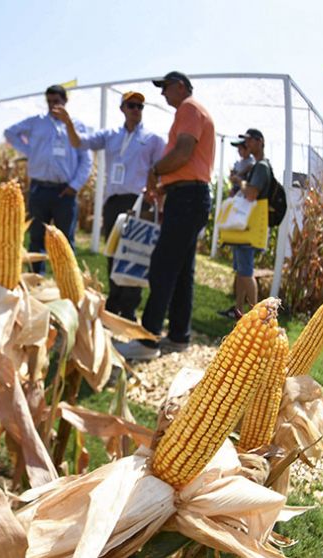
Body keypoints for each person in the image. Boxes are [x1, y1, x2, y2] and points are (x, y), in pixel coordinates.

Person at [120, 71, 215, 362]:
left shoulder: (189, 108)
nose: (162, 94)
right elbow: (189, 163)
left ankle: (147, 340)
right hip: (189, 196)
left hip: (187, 199)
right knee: (182, 269)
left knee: (162, 265)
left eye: (165, 88)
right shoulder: (195, 111)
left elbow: (184, 152)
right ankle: (179, 335)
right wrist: (164, 187)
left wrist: (155, 171)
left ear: (181, 86)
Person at [53, 91, 166, 320]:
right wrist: (68, 124)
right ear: (122, 108)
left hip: (139, 202)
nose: (136, 110)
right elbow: (79, 142)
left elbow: (161, 174)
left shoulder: (153, 139)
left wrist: (159, 206)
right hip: (113, 202)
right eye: (132, 105)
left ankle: (130, 308)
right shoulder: (110, 135)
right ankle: (114, 304)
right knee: (114, 252)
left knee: (135, 255)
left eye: (140, 107)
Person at [4, 84, 93, 272]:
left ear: (65, 101)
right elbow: (9, 132)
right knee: (37, 237)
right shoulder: (37, 122)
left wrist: (75, 186)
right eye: (49, 102)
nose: (53, 105)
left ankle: (68, 282)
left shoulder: (77, 126)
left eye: (57, 101)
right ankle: (37, 278)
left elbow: (86, 160)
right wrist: (30, 150)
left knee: (65, 240)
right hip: (39, 189)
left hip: (65, 191)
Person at [217, 129, 273, 320]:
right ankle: (239, 310)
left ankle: (256, 317)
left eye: (249, 141)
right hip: (244, 228)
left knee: (247, 273)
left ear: (260, 141)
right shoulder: (258, 166)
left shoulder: (261, 167)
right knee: (241, 272)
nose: (246, 144)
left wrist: (238, 181)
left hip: (249, 227)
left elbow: (251, 194)